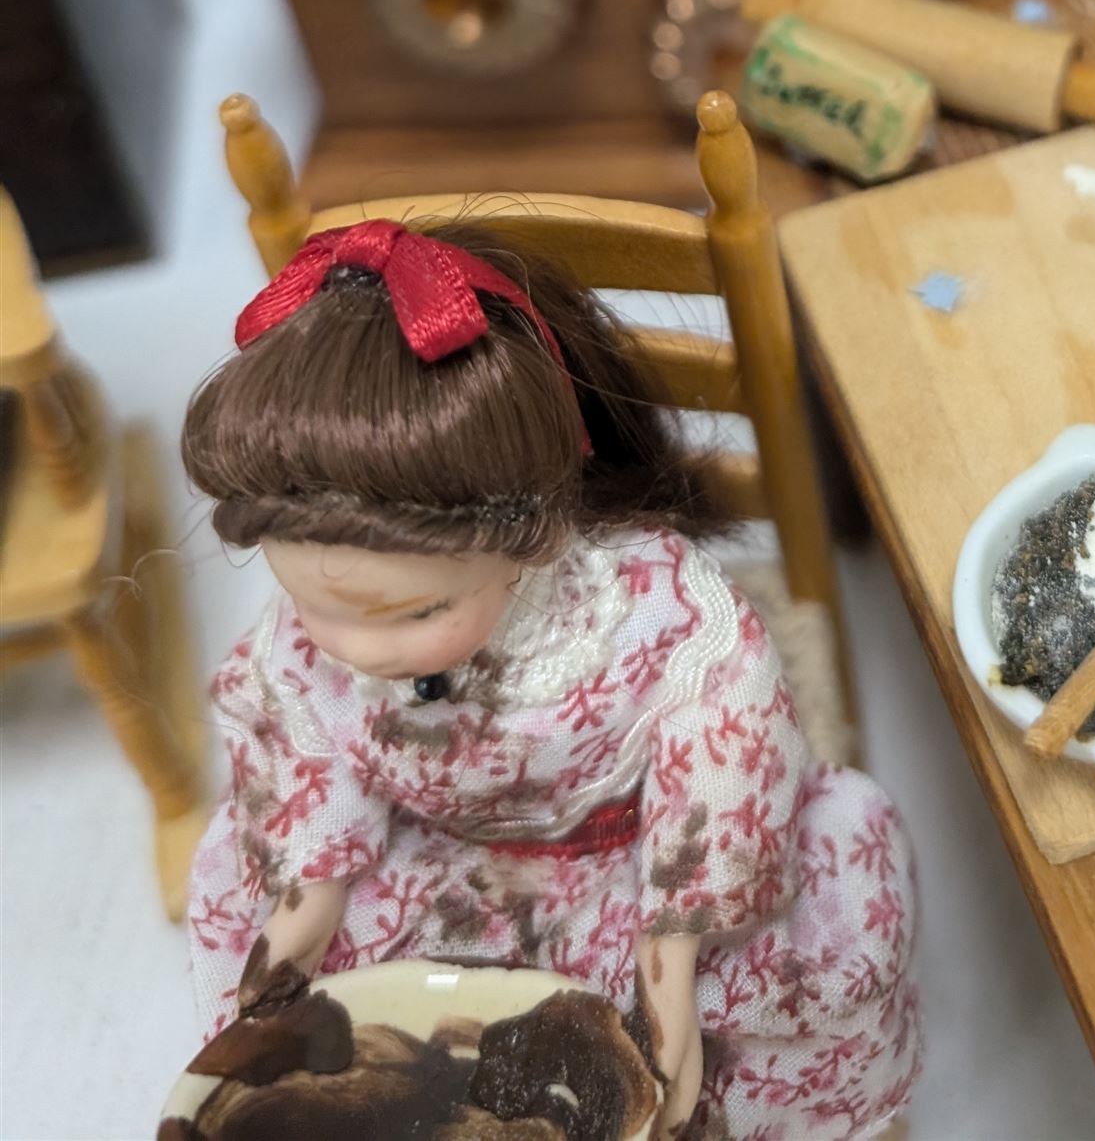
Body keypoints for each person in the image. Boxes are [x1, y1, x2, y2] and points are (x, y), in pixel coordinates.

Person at [181, 215, 920, 1139]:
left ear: (529, 542)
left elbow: (717, 753)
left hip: (630, 864)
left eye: (416, 613)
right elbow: (306, 761)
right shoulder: (307, 651)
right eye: (317, 607)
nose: (357, 650)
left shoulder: (648, 608)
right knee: (303, 980)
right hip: (431, 855)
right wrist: (301, 921)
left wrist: (672, 956)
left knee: (794, 958)